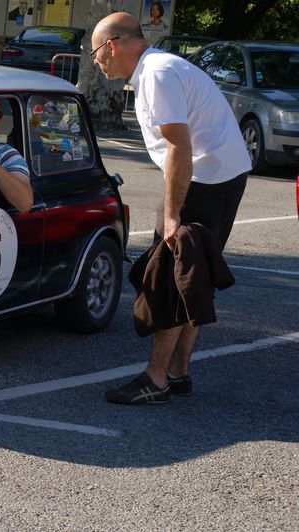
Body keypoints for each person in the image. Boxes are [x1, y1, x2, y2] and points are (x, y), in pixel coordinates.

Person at [90, 12, 250, 404]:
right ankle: (179, 372)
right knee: (196, 275)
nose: (95, 61)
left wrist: (173, 214)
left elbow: (180, 146)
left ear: (112, 45)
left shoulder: (156, 74)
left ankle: (156, 378)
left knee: (173, 275)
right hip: (222, 175)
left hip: (205, 179)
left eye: (95, 52)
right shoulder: (161, 67)